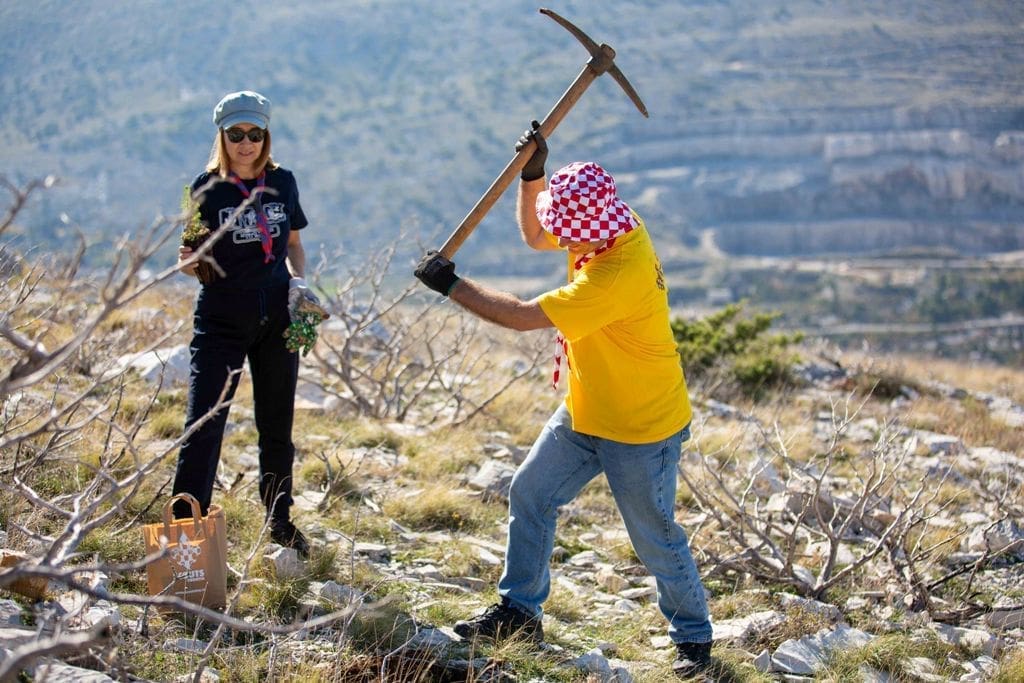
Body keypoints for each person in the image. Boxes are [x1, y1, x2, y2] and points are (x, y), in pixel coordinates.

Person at [413, 123, 714, 678]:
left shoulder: (613, 275)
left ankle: (694, 641)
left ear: (589, 226)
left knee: (653, 537)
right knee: (530, 493)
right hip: (586, 407)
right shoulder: (610, 222)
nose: (561, 240)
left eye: (567, 231)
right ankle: (519, 612)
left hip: (640, 426)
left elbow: (521, 317)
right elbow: (537, 235)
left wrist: (451, 286)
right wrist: (533, 175)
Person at [175, 90, 325, 559]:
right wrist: (189, 264)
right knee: (204, 422)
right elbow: (190, 257)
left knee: (276, 424)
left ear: (266, 135)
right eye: (236, 134)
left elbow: (293, 243)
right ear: (222, 136)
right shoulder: (205, 188)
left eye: (255, 134)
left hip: (278, 315)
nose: (246, 143)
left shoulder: (283, 182)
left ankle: (280, 521)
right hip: (221, 316)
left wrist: (299, 283)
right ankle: (186, 530)